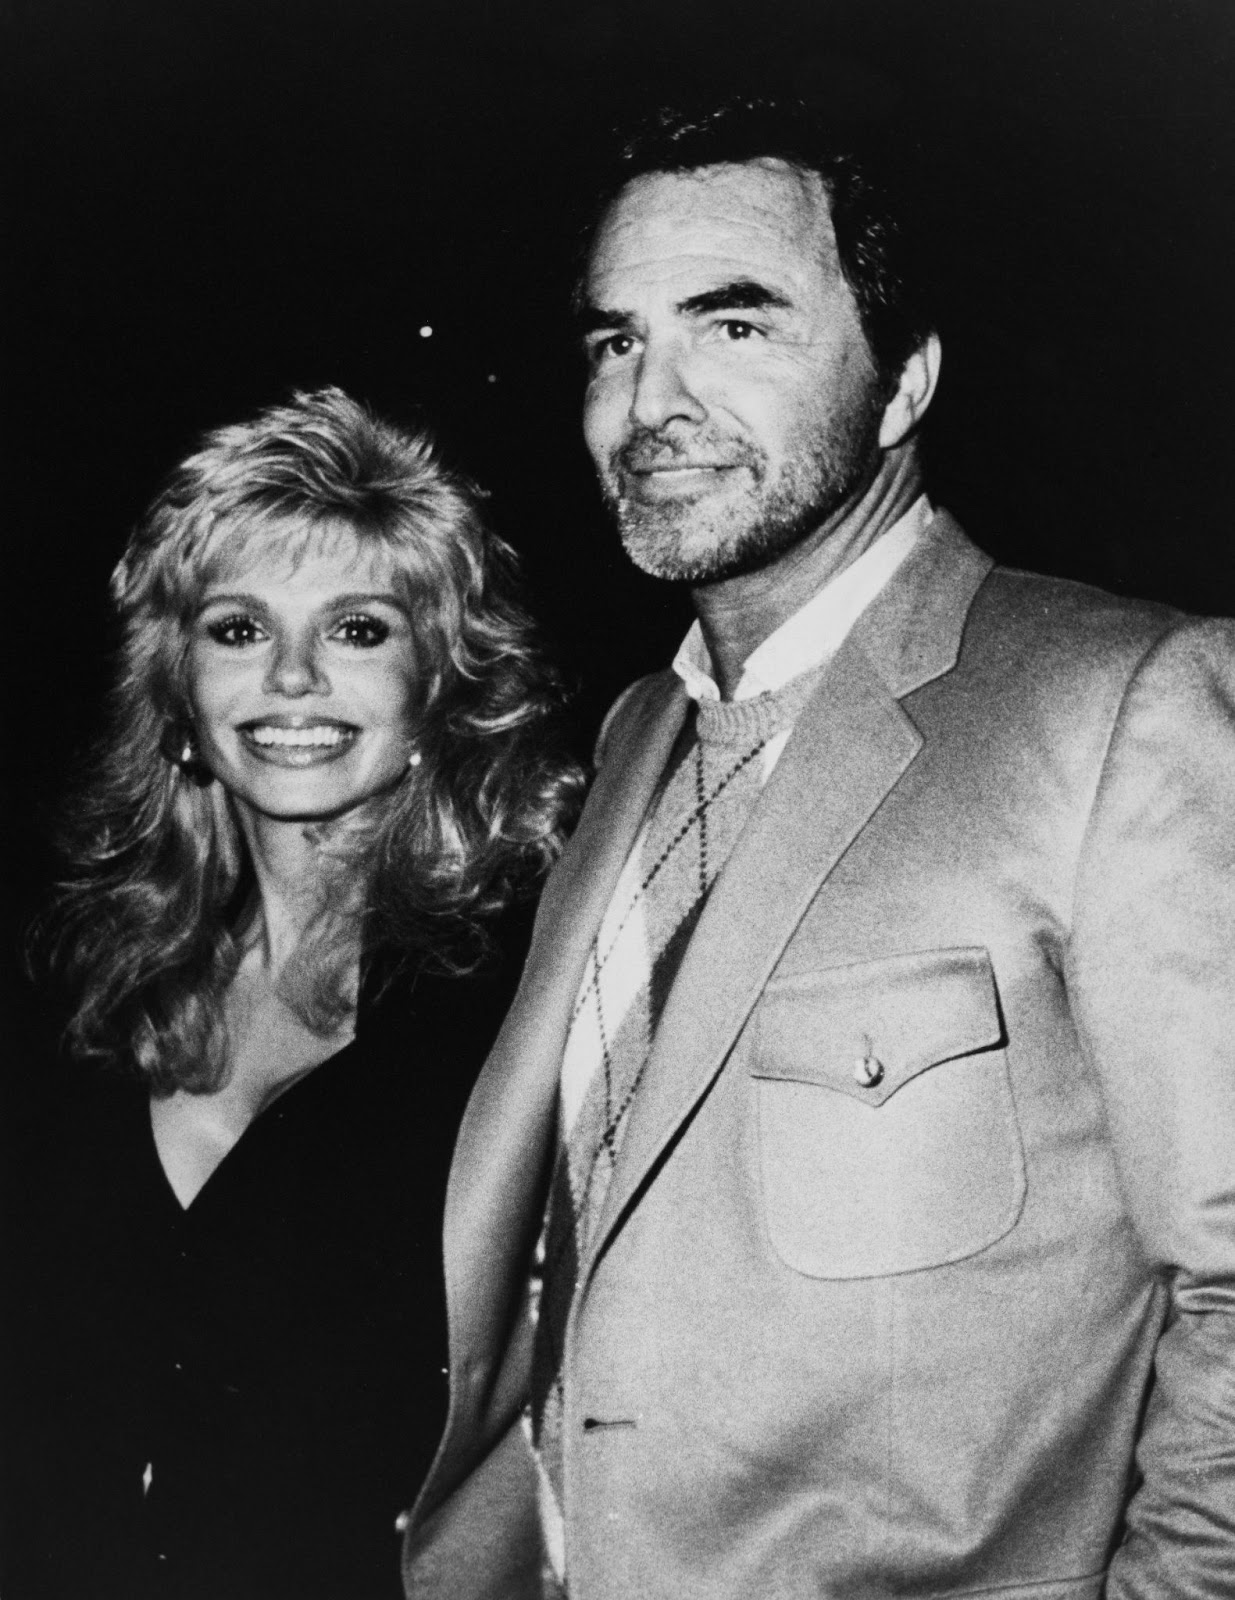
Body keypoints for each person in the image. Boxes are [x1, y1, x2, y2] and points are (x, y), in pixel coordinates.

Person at [398, 100, 1235, 1598]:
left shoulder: (1120, 704)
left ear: (902, 383)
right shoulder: (632, 740)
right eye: (611, 341)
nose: (649, 401)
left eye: (733, 326)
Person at [2, 387, 581, 1600]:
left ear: (440, 682)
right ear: (176, 690)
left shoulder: (525, 1000)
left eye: (359, 629)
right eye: (238, 629)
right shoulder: (77, 981)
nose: (296, 677)